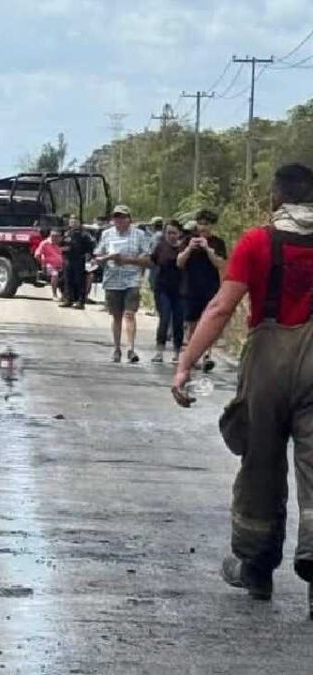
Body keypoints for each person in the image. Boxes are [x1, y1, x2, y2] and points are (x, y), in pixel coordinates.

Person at [171, 163, 313, 612]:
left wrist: (185, 363)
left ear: (277, 197)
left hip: (268, 362)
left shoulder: (258, 241)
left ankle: (255, 568)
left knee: (261, 464)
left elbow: (220, 308)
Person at [94, 204, 153, 363]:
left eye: (122, 217)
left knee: (129, 314)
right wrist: (104, 258)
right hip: (112, 279)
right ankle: (116, 349)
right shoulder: (106, 234)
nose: (118, 220)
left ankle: (131, 349)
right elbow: (98, 255)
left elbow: (148, 260)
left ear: (129, 219)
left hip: (131, 279)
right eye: (116, 217)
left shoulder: (139, 234)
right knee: (116, 315)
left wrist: (127, 260)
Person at [178, 209, 228, 372]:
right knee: (191, 324)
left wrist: (208, 250)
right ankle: (191, 355)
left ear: (212, 226)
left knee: (207, 322)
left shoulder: (218, 243)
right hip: (190, 288)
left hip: (210, 288)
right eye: (200, 224)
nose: (203, 227)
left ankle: (207, 355)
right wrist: (189, 249)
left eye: (206, 224)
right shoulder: (188, 240)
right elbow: (179, 262)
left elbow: (221, 264)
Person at [149, 221, 185, 363]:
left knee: (178, 321)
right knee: (164, 319)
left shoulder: (184, 248)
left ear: (179, 233)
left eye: (174, 233)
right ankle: (159, 352)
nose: (171, 236)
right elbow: (151, 263)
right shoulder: (160, 246)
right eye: (168, 232)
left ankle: (177, 353)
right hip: (162, 288)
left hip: (180, 290)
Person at [59, 215, 95, 308]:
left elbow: (91, 247)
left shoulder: (84, 234)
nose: (73, 223)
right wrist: (63, 249)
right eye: (71, 221)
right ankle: (68, 299)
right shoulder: (67, 234)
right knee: (67, 280)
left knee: (79, 281)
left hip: (79, 260)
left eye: (75, 221)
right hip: (68, 260)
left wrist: (90, 256)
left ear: (79, 223)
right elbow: (60, 245)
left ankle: (80, 301)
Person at [35, 228, 65, 298]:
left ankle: (65, 295)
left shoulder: (62, 244)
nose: (55, 238)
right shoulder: (45, 243)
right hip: (49, 265)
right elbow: (37, 255)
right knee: (55, 274)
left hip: (62, 265)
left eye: (57, 236)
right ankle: (54, 294)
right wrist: (42, 264)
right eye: (53, 236)